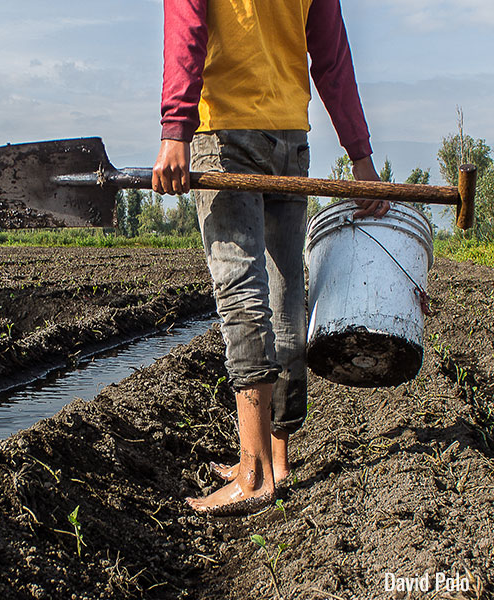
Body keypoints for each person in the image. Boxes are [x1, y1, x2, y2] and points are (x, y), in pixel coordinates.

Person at [152, 0, 389, 516]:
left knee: (242, 297)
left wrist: (175, 130)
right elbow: (332, 59)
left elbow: (186, 28)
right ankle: (277, 459)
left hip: (227, 134)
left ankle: (254, 474)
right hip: (290, 138)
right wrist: (361, 158)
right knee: (287, 297)